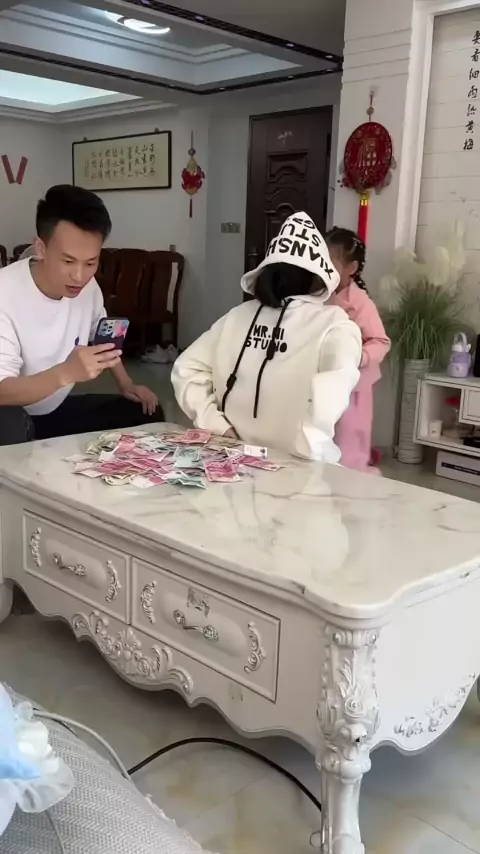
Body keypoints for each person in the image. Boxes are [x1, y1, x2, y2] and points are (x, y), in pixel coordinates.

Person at [172, 212, 362, 462]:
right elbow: (332, 393)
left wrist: (218, 426)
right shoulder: (335, 325)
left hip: (232, 461)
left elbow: (185, 369)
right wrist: (306, 453)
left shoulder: (237, 316)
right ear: (320, 275)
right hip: (300, 470)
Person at [0, 184, 162, 445]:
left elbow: (103, 339)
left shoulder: (88, 287)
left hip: (52, 411)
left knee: (145, 413)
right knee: (9, 424)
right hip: (11, 411)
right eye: (68, 261)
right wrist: (66, 372)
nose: (79, 276)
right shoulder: (5, 292)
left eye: (91, 263)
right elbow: (1, 391)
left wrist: (126, 384)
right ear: (41, 248)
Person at [326, 226, 390, 473]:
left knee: (350, 436)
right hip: (323, 376)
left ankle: (353, 475)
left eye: (331, 263)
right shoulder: (318, 294)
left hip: (354, 384)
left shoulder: (360, 302)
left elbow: (380, 341)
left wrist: (359, 357)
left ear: (351, 268)